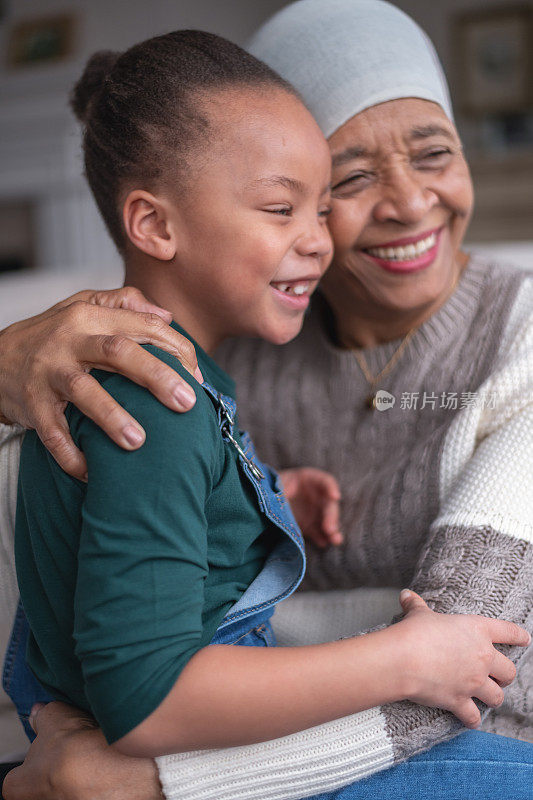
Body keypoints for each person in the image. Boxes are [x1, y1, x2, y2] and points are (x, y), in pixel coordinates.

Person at [1, 1, 532, 798]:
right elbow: (148, 665)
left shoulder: (212, 349)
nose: (406, 201)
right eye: (332, 186)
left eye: (433, 153)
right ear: (156, 222)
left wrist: (135, 782)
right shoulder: (172, 376)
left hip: (319, 734)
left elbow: (478, 674)